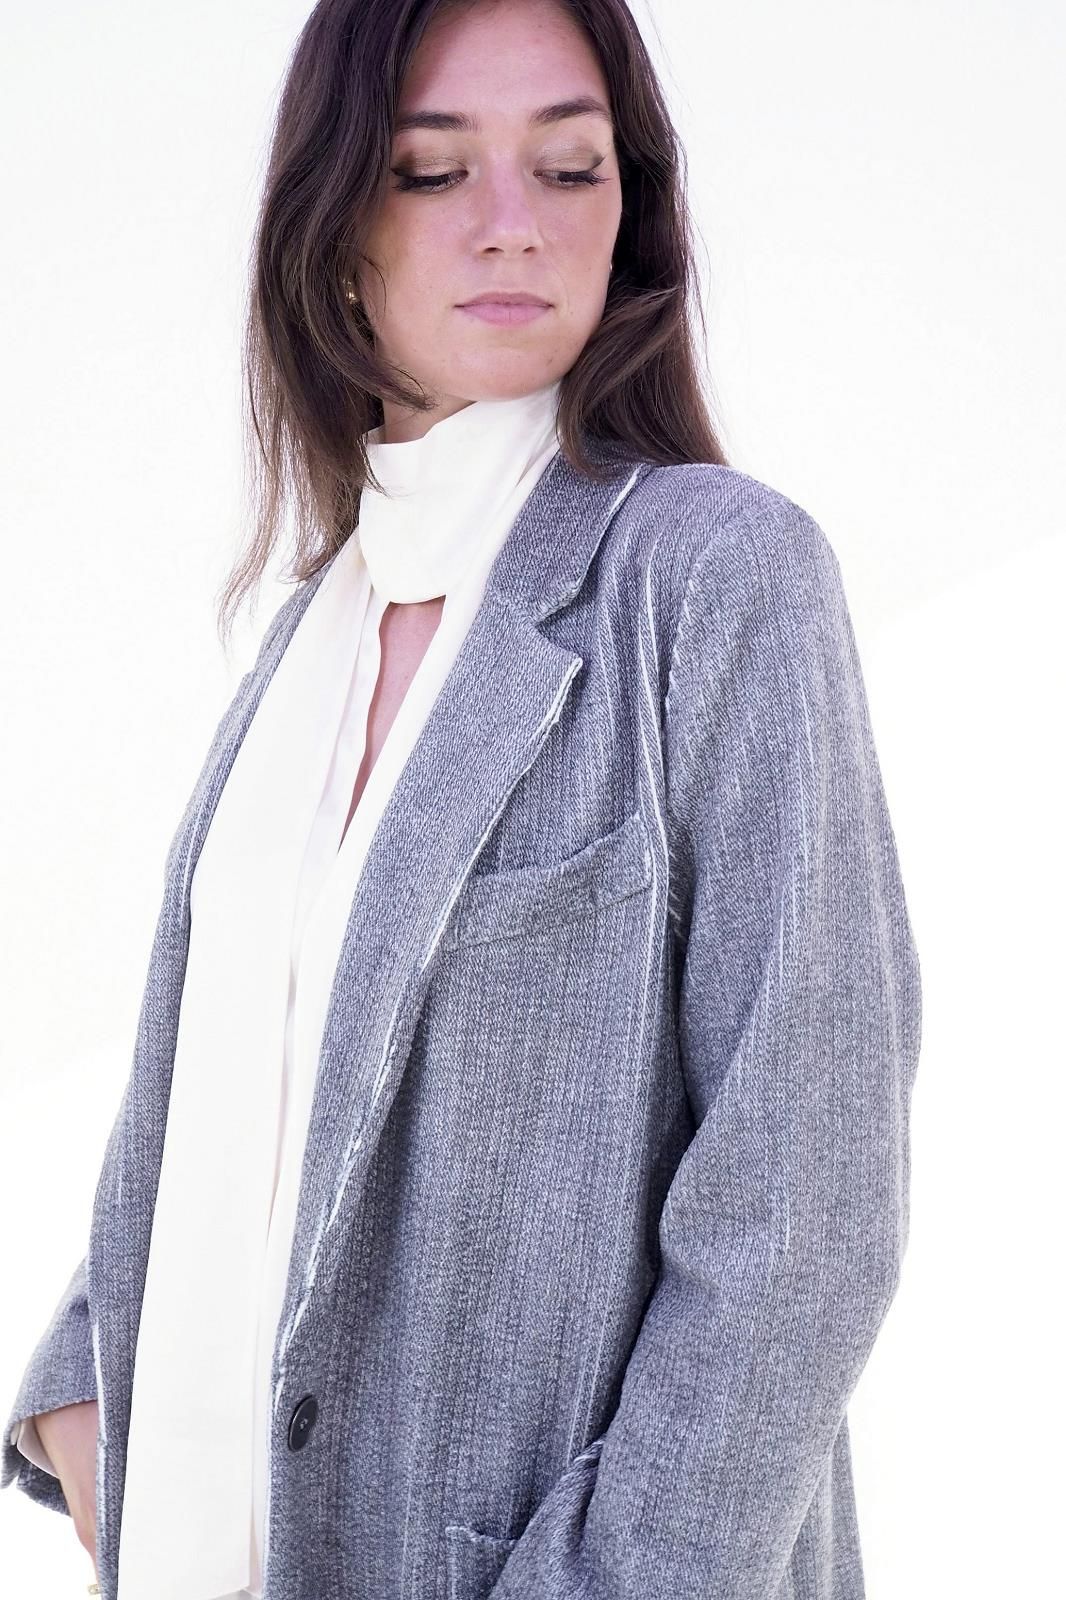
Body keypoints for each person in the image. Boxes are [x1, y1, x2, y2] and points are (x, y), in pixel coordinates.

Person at [2, 1, 923, 1597]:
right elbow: (256, 1059)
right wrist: (86, 1378)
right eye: (433, 171)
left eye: (568, 166)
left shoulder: (710, 572)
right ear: (334, 229)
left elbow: (806, 1191)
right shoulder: (320, 624)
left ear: (630, 209)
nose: (514, 225)